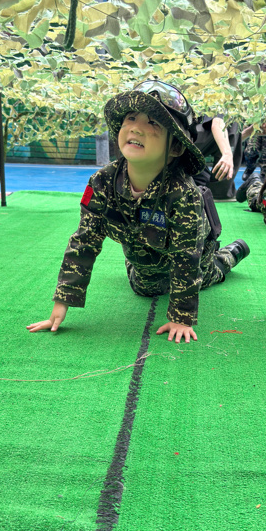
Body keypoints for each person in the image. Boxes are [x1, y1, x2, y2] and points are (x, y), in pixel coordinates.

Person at [27, 80, 250, 345]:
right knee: (144, 288)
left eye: (153, 122)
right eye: (131, 118)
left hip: (194, 252)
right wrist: (62, 301)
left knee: (205, 275)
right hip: (143, 254)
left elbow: (186, 258)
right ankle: (143, 266)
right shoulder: (102, 183)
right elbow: (84, 241)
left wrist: (181, 317)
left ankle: (229, 256)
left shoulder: (183, 194)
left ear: (175, 147)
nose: (136, 127)